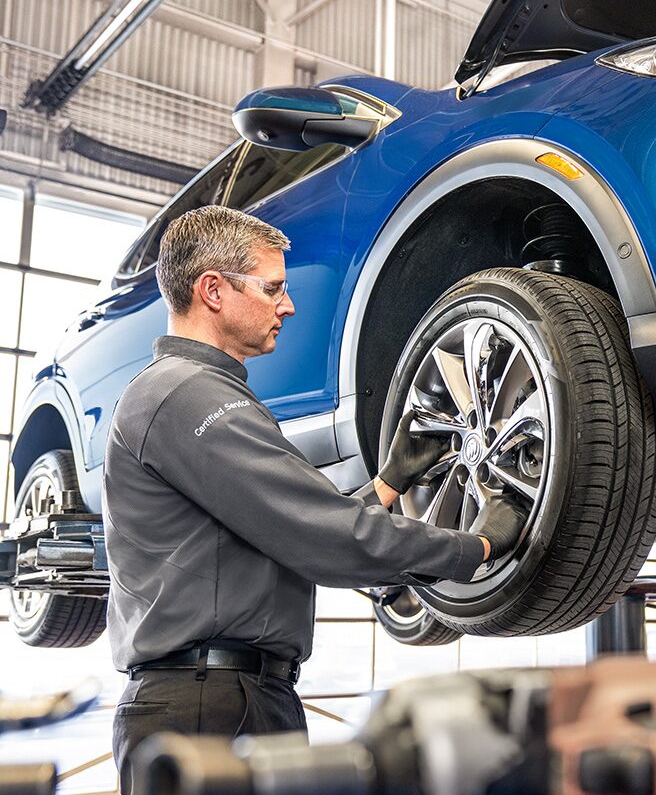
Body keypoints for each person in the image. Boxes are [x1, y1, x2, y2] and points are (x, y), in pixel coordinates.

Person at [102, 205, 526, 794]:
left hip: (227, 697)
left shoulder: (199, 396)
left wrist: (389, 484)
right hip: (207, 708)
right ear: (213, 290)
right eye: (273, 288)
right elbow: (322, 537)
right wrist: (473, 546)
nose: (288, 305)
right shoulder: (185, 396)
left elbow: (289, 527)